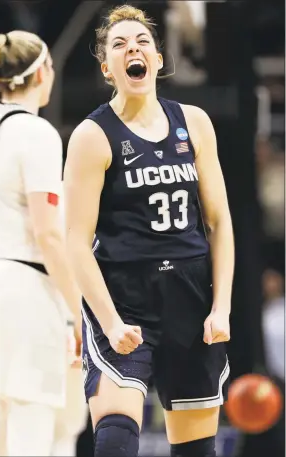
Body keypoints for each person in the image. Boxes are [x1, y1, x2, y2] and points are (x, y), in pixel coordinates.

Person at [64, 5, 234, 457]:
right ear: (106, 68)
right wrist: (110, 320)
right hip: (124, 295)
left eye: (141, 42)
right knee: (116, 442)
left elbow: (219, 222)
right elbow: (74, 242)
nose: (132, 49)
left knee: (197, 449)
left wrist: (222, 307)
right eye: (118, 44)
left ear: (158, 58)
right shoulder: (91, 135)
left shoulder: (194, 122)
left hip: (191, 295)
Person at [0, 31, 83, 456]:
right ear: (41, 72)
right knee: (31, 433)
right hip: (21, 292)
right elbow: (48, 235)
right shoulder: (36, 132)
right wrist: (82, 312)